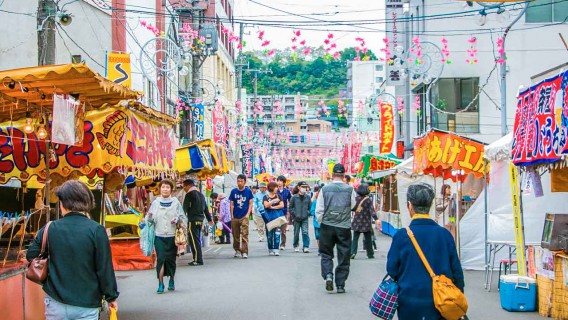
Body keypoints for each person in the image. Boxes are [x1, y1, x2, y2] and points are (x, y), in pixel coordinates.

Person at [27, 180, 118, 319]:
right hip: (87, 303)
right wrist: (111, 296)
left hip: (55, 301)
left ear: (62, 203)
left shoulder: (50, 228)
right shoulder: (96, 230)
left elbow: (31, 255)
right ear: (87, 202)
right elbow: (104, 268)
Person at [386, 183, 465, 320]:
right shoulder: (444, 234)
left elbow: (392, 269)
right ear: (430, 205)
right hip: (441, 302)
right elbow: (457, 272)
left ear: (409, 205)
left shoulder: (401, 236)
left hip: (409, 302)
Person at [316, 163, 356, 293]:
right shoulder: (350, 190)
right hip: (343, 226)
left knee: (326, 253)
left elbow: (319, 210)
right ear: (344, 175)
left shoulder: (325, 189)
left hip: (327, 226)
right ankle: (340, 284)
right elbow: (353, 205)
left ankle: (328, 275)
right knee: (344, 254)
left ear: (332, 175)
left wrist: (323, 222)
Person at [146, 179, 187, 293]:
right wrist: (149, 218)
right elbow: (150, 220)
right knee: (161, 259)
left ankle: (172, 280)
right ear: (160, 189)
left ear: (171, 189)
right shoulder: (155, 202)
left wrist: (177, 219)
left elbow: (183, 217)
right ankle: (160, 284)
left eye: (167, 187)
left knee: (171, 260)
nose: (165, 189)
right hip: (159, 236)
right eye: (163, 187)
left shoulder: (175, 202)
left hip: (172, 236)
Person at [182, 179, 213, 266]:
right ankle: (198, 258)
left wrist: (181, 219)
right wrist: (209, 219)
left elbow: (184, 208)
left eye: (184, 186)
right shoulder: (201, 195)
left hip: (192, 220)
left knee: (194, 240)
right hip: (200, 220)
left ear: (188, 186)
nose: (184, 188)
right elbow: (206, 208)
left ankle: (197, 260)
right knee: (197, 240)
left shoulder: (189, 195)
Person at [229, 174, 254, 258]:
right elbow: (231, 204)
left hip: (244, 216)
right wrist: (232, 215)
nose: (239, 183)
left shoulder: (248, 191)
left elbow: (250, 203)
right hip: (235, 216)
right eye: (238, 181)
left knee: (244, 234)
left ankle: (244, 251)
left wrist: (248, 214)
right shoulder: (233, 191)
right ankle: (237, 250)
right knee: (235, 235)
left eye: (241, 181)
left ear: (245, 182)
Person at [350, 183, 378, 259]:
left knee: (355, 238)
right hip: (366, 222)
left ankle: (352, 252)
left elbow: (352, 208)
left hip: (357, 221)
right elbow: (372, 211)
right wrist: (376, 219)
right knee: (368, 238)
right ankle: (370, 254)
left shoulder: (356, 199)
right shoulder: (368, 200)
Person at [289, 181, 312, 253]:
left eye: (305, 187)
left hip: (305, 218)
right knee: (296, 233)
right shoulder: (294, 197)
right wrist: (294, 214)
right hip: (296, 218)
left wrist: (307, 213)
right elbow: (290, 207)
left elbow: (310, 207)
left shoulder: (307, 197)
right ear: (298, 187)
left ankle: (306, 246)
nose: (304, 188)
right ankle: (296, 245)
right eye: (302, 187)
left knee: (305, 232)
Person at [263, 181, 284, 256]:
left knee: (277, 234)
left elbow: (282, 205)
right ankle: (270, 249)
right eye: (276, 187)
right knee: (269, 235)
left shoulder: (279, 196)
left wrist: (273, 207)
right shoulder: (265, 197)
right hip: (268, 219)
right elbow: (266, 205)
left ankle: (276, 249)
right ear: (272, 188)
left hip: (277, 218)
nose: (277, 188)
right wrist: (274, 201)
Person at [276, 175, 292, 250]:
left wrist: (290, 209)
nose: (279, 183)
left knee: (283, 230)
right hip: (276, 212)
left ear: (283, 182)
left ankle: (282, 244)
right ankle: (276, 243)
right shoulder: (275, 191)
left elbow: (291, 200)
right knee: (276, 229)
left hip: (284, 212)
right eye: (278, 181)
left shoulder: (287, 191)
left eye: (280, 181)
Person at [311, 185, 321, 252]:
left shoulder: (326, 202)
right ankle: (319, 248)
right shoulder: (315, 202)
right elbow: (312, 211)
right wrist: (317, 213)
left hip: (324, 222)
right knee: (317, 236)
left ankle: (322, 249)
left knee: (323, 236)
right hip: (316, 221)